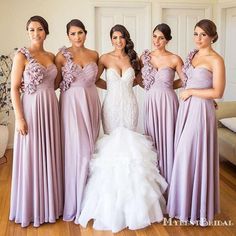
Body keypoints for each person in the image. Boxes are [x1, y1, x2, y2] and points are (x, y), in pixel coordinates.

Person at [78, 24, 167, 233]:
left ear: (127, 39)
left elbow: (140, 81)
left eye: (122, 37)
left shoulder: (133, 59)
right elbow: (94, 79)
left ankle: (135, 205)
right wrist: (113, 87)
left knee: (130, 149)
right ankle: (109, 205)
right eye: (115, 37)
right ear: (111, 39)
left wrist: (127, 87)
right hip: (110, 107)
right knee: (113, 148)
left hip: (129, 106)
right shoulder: (104, 59)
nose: (119, 41)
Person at [167, 19, 225, 226]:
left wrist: (191, 92)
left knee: (188, 154)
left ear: (212, 37)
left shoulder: (216, 60)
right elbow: (186, 80)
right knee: (185, 155)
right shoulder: (193, 55)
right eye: (196, 34)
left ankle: (195, 210)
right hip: (186, 109)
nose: (198, 38)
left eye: (203, 34)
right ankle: (185, 207)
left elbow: (218, 91)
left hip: (200, 111)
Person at [9, 15, 63, 227]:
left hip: (50, 107)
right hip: (31, 110)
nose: (35, 33)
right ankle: (31, 208)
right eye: (31, 30)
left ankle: (50, 206)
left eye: (39, 29)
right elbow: (14, 88)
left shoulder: (51, 56)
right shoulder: (21, 56)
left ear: (46, 32)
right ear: (28, 33)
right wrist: (19, 118)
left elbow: (55, 84)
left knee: (49, 153)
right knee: (32, 155)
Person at [55, 19, 101, 223]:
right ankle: (75, 201)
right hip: (71, 105)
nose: (77, 37)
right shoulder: (61, 56)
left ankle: (91, 200)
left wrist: (122, 87)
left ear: (85, 33)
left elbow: (97, 80)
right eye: (72, 34)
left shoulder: (94, 55)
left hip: (91, 102)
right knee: (77, 150)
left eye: (80, 32)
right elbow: (54, 83)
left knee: (91, 150)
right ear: (68, 36)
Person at [141, 23, 184, 193]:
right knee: (152, 140)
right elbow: (137, 77)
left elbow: (185, 80)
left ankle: (172, 186)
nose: (157, 41)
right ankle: (154, 187)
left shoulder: (175, 59)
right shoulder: (144, 57)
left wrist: (167, 85)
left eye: (161, 38)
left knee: (169, 139)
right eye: (154, 36)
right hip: (151, 102)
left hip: (168, 102)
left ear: (167, 40)